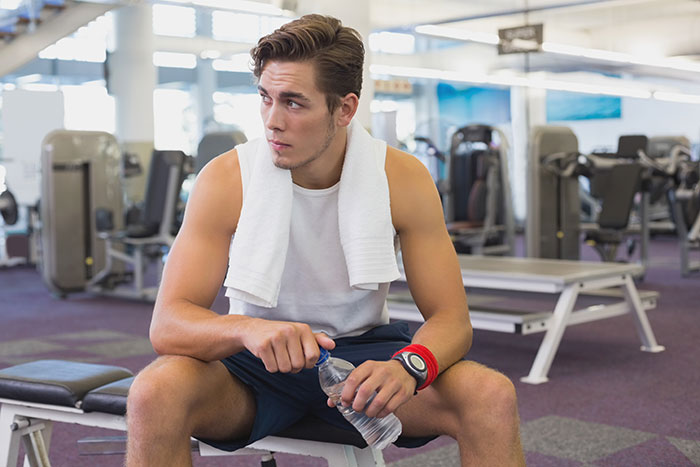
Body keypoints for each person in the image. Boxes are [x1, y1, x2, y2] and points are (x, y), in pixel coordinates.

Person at [126, 13, 525, 467]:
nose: (272, 121)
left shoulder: (403, 178)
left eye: (294, 103)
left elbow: (452, 319)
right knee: (154, 390)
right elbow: (168, 325)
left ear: (345, 109)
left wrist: (411, 366)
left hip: (365, 361)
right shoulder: (225, 179)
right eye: (265, 98)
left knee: (489, 394)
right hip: (253, 366)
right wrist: (249, 329)